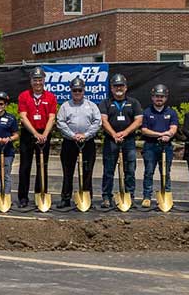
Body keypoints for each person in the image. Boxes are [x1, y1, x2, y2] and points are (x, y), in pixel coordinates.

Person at [98, 74, 143, 209]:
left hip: (128, 141)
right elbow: (103, 120)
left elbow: (138, 120)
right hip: (111, 141)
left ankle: (130, 196)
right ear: (111, 88)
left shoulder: (133, 102)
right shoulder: (105, 103)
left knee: (130, 170)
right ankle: (107, 197)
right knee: (108, 170)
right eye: (116, 86)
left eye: (121, 86)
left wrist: (125, 132)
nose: (119, 88)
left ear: (126, 87)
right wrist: (114, 134)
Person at [56, 77, 101, 209]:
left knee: (87, 171)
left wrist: (85, 135)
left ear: (84, 90)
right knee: (67, 172)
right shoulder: (65, 106)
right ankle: (65, 198)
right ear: (71, 90)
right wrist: (73, 135)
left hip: (87, 142)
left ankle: (87, 199)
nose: (77, 92)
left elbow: (97, 122)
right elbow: (60, 122)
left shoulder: (92, 106)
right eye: (74, 90)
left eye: (79, 90)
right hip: (70, 142)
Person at [17, 67, 58, 208]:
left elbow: (52, 118)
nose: (37, 83)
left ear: (44, 80)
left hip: (44, 134)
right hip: (28, 133)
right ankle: (23, 197)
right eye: (35, 80)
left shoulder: (50, 97)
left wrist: (44, 134)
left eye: (40, 80)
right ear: (31, 81)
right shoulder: (24, 96)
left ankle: (40, 194)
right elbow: (23, 117)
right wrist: (35, 134)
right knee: (25, 166)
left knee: (42, 165)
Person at [140, 84, 179, 208]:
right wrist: (160, 134)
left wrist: (169, 135)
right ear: (152, 97)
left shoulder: (171, 112)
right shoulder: (147, 112)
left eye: (162, 96)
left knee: (165, 172)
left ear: (166, 98)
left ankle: (166, 195)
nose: (159, 99)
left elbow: (174, 128)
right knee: (148, 172)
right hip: (150, 146)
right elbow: (144, 130)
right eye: (157, 96)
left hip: (166, 146)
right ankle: (147, 197)